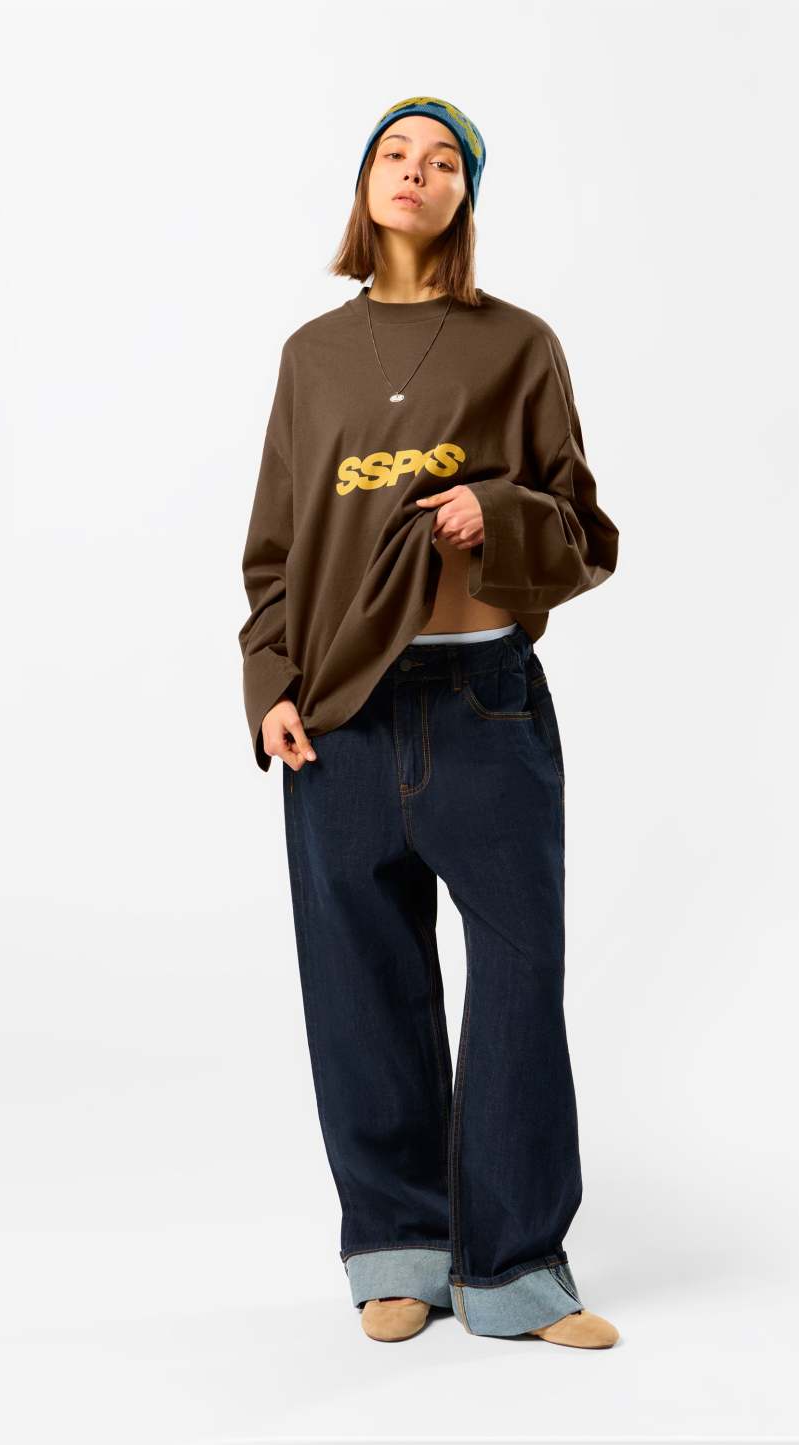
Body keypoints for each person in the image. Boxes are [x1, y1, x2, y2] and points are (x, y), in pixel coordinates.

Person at [237, 97, 621, 1348]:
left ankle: (513, 1271)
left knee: (516, 979)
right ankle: (398, 1249)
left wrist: (492, 511)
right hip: (339, 712)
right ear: (365, 183)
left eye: (444, 159)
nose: (417, 171)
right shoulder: (311, 355)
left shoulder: (518, 344)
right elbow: (277, 550)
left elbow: (583, 533)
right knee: (361, 984)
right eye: (396, 154)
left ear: (466, 195)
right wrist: (270, 682)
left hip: (481, 698)